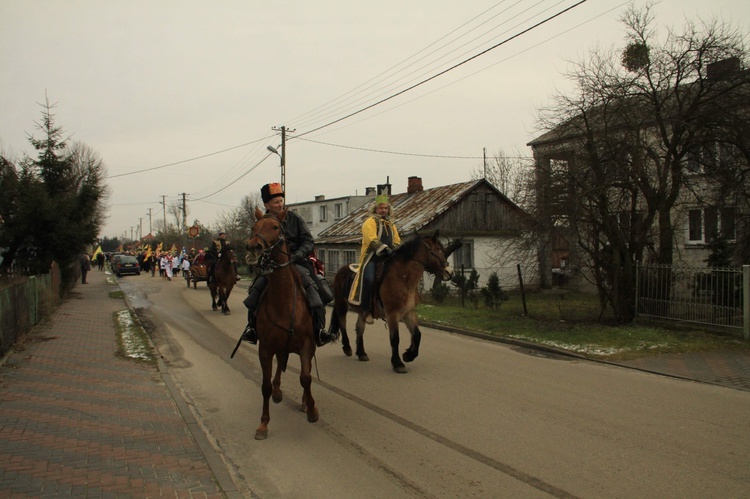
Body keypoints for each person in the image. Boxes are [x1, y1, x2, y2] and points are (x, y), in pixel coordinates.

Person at [240, 182, 337, 346]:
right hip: (271, 266)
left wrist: (296, 256)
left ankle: (319, 331)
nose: (280, 204)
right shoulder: (261, 223)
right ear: (267, 205)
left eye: (280, 201)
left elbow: (308, 242)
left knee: (316, 290)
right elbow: (256, 244)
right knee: (255, 291)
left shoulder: (294, 218)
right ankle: (252, 328)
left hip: (297, 262)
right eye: (276, 202)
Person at [349, 193, 401, 324]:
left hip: (388, 257)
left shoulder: (391, 224)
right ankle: (366, 309)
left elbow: (397, 240)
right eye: (380, 208)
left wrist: (395, 249)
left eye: (385, 208)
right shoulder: (370, 222)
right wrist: (385, 248)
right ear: (375, 209)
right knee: (369, 279)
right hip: (372, 257)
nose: (383, 210)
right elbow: (372, 240)